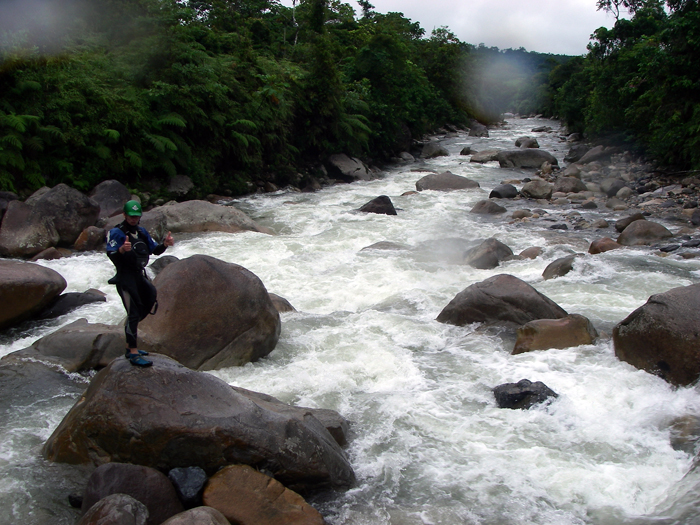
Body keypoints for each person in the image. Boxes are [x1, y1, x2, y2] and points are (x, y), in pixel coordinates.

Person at [106, 200, 174, 367]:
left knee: (150, 296)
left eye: (136, 217)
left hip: (138, 276)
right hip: (125, 278)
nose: (133, 219)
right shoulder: (117, 232)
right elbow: (111, 253)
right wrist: (122, 250)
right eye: (131, 216)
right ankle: (133, 352)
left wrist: (164, 244)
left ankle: (130, 346)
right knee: (133, 313)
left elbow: (154, 250)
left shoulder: (141, 232)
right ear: (124, 215)